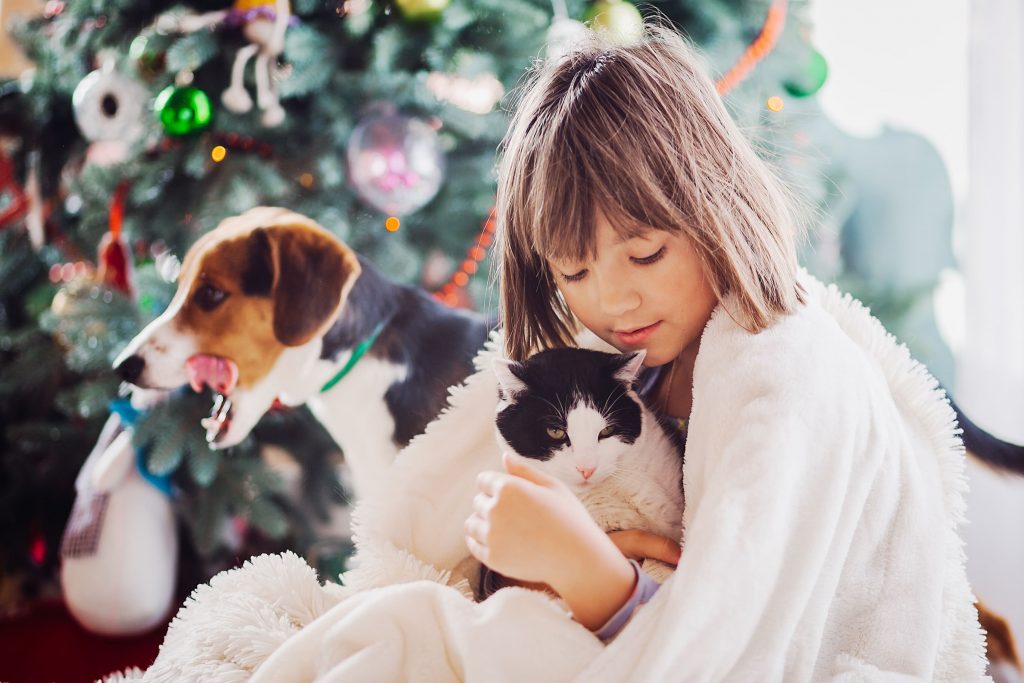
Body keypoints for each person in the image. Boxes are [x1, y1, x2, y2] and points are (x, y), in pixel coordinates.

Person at [461, 17, 989, 679]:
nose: (613, 300)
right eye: (573, 271)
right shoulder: (618, 370)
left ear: (714, 206)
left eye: (646, 253)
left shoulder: (785, 378)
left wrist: (588, 570)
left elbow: (737, 654)